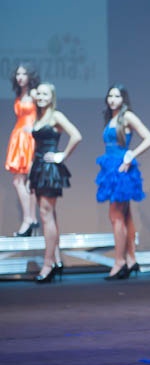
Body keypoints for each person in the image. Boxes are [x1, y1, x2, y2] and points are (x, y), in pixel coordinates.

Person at [96, 84, 150, 280]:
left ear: (123, 99)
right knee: (125, 215)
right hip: (111, 167)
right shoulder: (111, 118)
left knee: (115, 216)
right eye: (110, 96)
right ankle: (130, 259)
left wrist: (131, 155)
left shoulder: (127, 116)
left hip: (122, 168)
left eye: (117, 96)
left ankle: (119, 261)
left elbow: (149, 138)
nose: (112, 99)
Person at [28, 82, 82, 283]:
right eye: (39, 94)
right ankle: (56, 260)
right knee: (49, 215)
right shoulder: (39, 117)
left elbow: (76, 136)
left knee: (46, 214)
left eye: (45, 94)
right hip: (38, 167)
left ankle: (48, 264)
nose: (41, 97)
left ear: (52, 97)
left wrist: (62, 156)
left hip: (50, 168)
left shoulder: (55, 116)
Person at [6, 62, 40, 237]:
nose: (20, 77)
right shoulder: (19, 94)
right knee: (19, 181)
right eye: (18, 74)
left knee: (27, 182)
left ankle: (29, 219)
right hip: (18, 137)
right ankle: (30, 219)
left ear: (30, 76)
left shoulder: (35, 94)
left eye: (24, 74)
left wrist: (35, 131)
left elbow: (41, 115)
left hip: (29, 137)